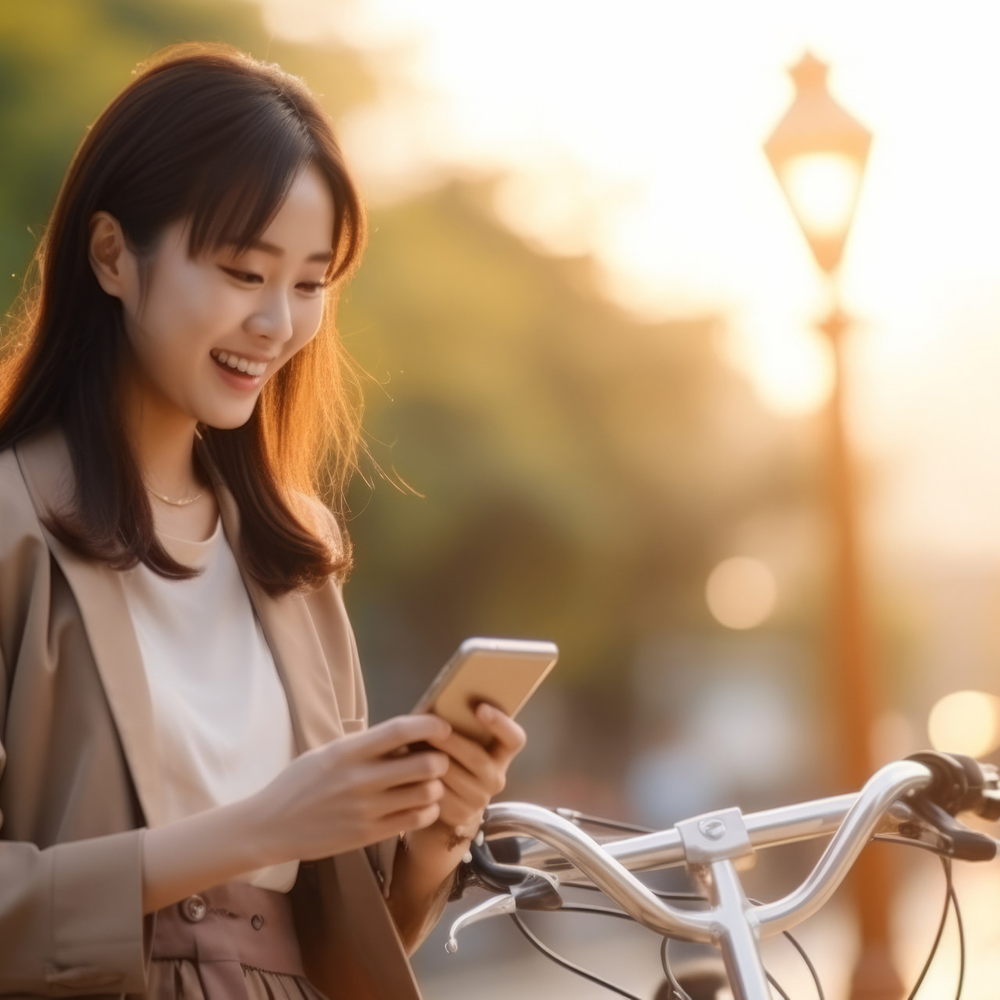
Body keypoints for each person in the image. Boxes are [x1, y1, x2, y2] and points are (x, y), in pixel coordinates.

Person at [0, 41, 526, 999]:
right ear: (114, 255)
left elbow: (344, 942)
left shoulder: (295, 556)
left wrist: (435, 822)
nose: (279, 324)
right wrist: (262, 827)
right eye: (244, 272)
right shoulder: (11, 528)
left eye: (311, 282)